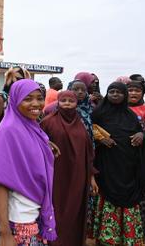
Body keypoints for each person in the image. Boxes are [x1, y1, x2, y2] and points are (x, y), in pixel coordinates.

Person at [0, 79, 57, 246]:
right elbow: (0, 183)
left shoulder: (31, 128)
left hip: (30, 212)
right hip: (17, 219)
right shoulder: (8, 131)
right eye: (27, 99)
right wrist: (5, 233)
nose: (36, 103)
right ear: (15, 100)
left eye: (39, 98)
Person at [91, 82, 145, 246]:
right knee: (108, 195)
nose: (115, 94)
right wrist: (100, 139)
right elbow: (87, 137)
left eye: (119, 92)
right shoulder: (98, 114)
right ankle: (107, 238)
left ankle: (129, 237)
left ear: (124, 96)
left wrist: (140, 135)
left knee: (129, 196)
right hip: (106, 166)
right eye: (112, 91)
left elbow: (140, 132)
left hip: (128, 167)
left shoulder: (130, 115)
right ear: (107, 94)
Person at [41, 90, 98, 246]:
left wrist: (91, 176)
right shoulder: (47, 122)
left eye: (70, 101)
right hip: (56, 175)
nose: (67, 104)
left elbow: (88, 152)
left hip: (78, 175)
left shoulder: (81, 123)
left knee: (75, 210)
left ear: (76, 103)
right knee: (57, 209)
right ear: (57, 102)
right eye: (63, 100)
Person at [127, 80, 145, 244]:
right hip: (124, 162)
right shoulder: (119, 109)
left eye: (137, 90)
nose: (133, 93)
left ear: (143, 93)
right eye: (130, 90)